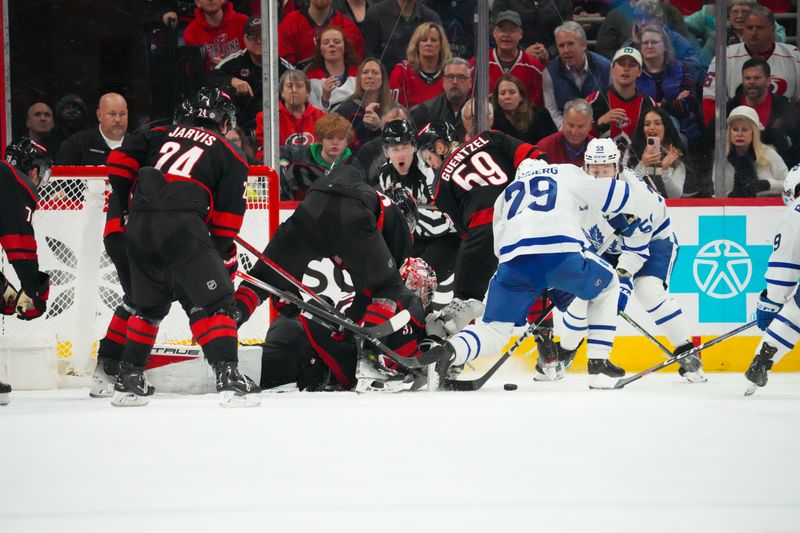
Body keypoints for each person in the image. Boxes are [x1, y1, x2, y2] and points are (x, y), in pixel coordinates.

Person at [425, 156, 652, 389]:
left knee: (493, 330)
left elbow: (498, 248)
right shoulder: (563, 171)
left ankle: (449, 353)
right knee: (608, 285)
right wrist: (633, 209)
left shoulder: (505, 195)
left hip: (513, 264)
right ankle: (599, 363)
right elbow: (615, 192)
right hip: (561, 254)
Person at [108, 87, 260, 407]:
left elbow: (118, 160)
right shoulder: (230, 152)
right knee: (218, 301)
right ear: (221, 121)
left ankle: (129, 377)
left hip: (137, 223)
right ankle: (228, 375)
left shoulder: (159, 133)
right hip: (181, 224)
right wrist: (216, 255)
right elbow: (229, 219)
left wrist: (124, 206)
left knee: (148, 307)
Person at [564, 138, 705, 382]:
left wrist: (622, 283)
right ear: (585, 167)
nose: (599, 177)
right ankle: (564, 351)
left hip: (652, 242)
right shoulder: (577, 187)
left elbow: (636, 251)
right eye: (594, 171)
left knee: (647, 290)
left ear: (616, 168)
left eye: (605, 170)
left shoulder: (636, 196)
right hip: (607, 246)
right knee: (584, 294)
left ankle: (686, 351)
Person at [233, 165, 415, 341]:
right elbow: (374, 289)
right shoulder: (399, 224)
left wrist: (288, 292)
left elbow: (287, 268)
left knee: (261, 279)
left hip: (312, 204)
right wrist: (354, 330)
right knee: (389, 287)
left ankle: (226, 324)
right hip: (351, 214)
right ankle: (371, 351)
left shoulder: (371, 200)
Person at [416, 121, 545, 336]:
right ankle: (547, 339)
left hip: (483, 232)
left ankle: (444, 352)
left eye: (429, 157)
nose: (430, 165)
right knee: (543, 277)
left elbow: (462, 229)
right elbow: (534, 156)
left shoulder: (439, 183)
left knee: (462, 303)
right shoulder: (489, 137)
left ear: (440, 147)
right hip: (526, 219)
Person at [258, 256, 438, 393]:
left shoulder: (375, 296)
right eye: (422, 288)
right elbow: (398, 359)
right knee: (248, 372)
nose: (424, 298)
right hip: (307, 349)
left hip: (295, 329)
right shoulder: (405, 302)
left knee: (246, 365)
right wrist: (432, 343)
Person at [0, 138, 54, 405]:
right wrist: (33, 289)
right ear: (33, 171)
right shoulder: (17, 183)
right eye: (42, 173)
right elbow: (19, 245)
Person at [376, 120, 460, 283]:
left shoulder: (430, 169)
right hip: (415, 237)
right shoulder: (385, 173)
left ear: (414, 147)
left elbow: (447, 219)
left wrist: (408, 216)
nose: (401, 154)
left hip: (447, 238)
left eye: (405, 147)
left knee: (417, 281)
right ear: (386, 152)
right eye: (395, 149)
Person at [744, 165, 800, 395]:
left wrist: (772, 302)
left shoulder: (795, 213)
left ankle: (763, 359)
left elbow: (785, 268)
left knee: (794, 312)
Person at [702, 5, 800, 124]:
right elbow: (711, 101)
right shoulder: (725, 56)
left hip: (782, 129)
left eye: (759, 28)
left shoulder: (793, 56)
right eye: (749, 27)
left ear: (772, 30)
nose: (753, 32)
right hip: (737, 129)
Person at [635, 25, 703, 154]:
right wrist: (671, 105)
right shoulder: (635, 73)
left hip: (684, 132)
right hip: (644, 132)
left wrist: (657, 106)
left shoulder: (683, 69)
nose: (649, 46)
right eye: (645, 43)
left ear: (665, 45)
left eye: (654, 42)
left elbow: (688, 104)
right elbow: (637, 107)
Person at [724, 58, 800, 169]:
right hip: (738, 169)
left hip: (779, 171)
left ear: (768, 81)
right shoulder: (732, 106)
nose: (751, 82)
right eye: (747, 78)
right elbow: (712, 140)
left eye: (757, 78)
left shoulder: (783, 106)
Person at [542, 21, 611, 129]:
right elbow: (552, 111)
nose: (566, 50)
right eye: (561, 46)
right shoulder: (549, 72)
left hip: (600, 130)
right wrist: (571, 132)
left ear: (583, 45)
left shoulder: (606, 67)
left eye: (570, 44)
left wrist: (594, 129)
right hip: (566, 132)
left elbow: (612, 103)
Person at [685, 0, 787, 67]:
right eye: (735, 12)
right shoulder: (717, 36)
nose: (739, 16)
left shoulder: (762, 26)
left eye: (744, 12)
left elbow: (778, 34)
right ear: (729, 14)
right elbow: (704, 67)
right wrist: (695, 52)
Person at [587, 46, 655, 143]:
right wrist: (599, 123)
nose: (626, 68)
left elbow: (661, 139)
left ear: (639, 72)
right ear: (612, 68)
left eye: (632, 64)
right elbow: (576, 137)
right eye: (621, 63)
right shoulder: (594, 100)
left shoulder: (650, 105)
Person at [279, 113, 355, 199]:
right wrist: (282, 160)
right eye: (329, 138)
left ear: (348, 141)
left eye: (340, 138)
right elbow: (277, 152)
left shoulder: (353, 163)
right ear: (320, 139)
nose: (335, 142)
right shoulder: (302, 154)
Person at [717, 105, 788, 198]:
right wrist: (732, 195)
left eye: (745, 129)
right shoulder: (722, 158)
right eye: (735, 129)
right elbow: (717, 193)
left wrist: (768, 185)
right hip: (733, 210)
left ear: (754, 132)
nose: (739, 134)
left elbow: (790, 185)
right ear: (729, 132)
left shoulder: (769, 154)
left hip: (769, 209)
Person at [209, 15, 264, 130]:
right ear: (244, 39)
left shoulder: (283, 67)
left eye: (263, 36)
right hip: (239, 126)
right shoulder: (235, 60)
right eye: (253, 37)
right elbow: (209, 78)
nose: (258, 41)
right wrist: (232, 80)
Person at [481, 10, 545, 107]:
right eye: (502, 30)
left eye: (512, 30)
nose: (506, 35)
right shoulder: (480, 63)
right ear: (494, 33)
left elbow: (537, 106)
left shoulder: (534, 66)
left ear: (520, 34)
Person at [279, 0, 365, 70]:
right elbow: (285, 71)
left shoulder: (350, 30)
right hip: (300, 88)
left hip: (340, 89)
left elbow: (355, 74)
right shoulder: (289, 25)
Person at [361, 0, 442, 73]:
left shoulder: (432, 18)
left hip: (420, 82)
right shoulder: (375, 14)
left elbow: (440, 57)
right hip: (385, 83)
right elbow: (369, 56)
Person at [595, 0, 692, 60]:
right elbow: (604, 50)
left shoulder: (670, 12)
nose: (644, 23)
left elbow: (689, 53)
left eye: (650, 17)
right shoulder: (615, 15)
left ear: (660, 20)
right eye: (639, 18)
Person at [333, 58, 394, 151]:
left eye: (375, 73)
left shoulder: (393, 109)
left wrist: (379, 127)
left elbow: (399, 143)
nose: (370, 76)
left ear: (383, 78)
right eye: (365, 72)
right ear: (359, 78)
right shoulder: (345, 109)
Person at [628, 107, 690, 198]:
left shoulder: (675, 154)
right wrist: (642, 165)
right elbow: (628, 188)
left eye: (657, 123)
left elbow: (675, 196)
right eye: (647, 124)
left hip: (667, 210)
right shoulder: (631, 151)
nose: (651, 128)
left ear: (666, 127)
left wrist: (665, 170)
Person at [389, 22, 451, 109]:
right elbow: (393, 110)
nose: (428, 44)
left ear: (441, 45)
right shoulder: (401, 71)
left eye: (433, 40)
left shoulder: (451, 73)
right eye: (424, 40)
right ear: (417, 44)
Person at [410, 58, 472, 143]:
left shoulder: (479, 111)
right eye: (450, 77)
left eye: (461, 77)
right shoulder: (425, 111)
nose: (455, 82)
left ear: (470, 83)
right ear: (443, 82)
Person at [57, 93, 129, 165]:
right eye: (112, 114)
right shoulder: (76, 144)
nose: (118, 119)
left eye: (122, 114)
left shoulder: (137, 145)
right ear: (99, 115)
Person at [489, 0, 572, 62]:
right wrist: (522, 52)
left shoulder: (562, 2)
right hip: (513, 58)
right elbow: (494, 32)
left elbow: (570, 32)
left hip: (554, 59)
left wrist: (549, 52)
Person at [304, 25, 360, 111]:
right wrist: (325, 99)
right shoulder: (311, 79)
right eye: (326, 43)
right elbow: (312, 116)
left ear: (345, 47)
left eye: (337, 42)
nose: (331, 45)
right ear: (320, 49)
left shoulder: (360, 74)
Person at [184, 0, 249, 71]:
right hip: (210, 79)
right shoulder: (191, 31)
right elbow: (193, 70)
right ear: (198, 2)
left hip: (243, 76)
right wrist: (208, 63)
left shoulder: (243, 21)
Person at [491, 74, 557, 145]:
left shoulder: (540, 115)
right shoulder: (492, 118)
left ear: (521, 96)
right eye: (502, 93)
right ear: (497, 99)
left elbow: (553, 143)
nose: (507, 97)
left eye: (512, 92)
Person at [272, 69, 325, 147]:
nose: (294, 90)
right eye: (289, 86)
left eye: (299, 86)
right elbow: (264, 151)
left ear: (308, 92)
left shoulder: (321, 117)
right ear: (282, 92)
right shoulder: (268, 118)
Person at [536, 98, 595, 166]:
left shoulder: (599, 149)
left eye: (580, 126)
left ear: (590, 126)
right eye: (570, 125)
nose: (574, 132)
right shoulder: (545, 147)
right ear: (563, 123)